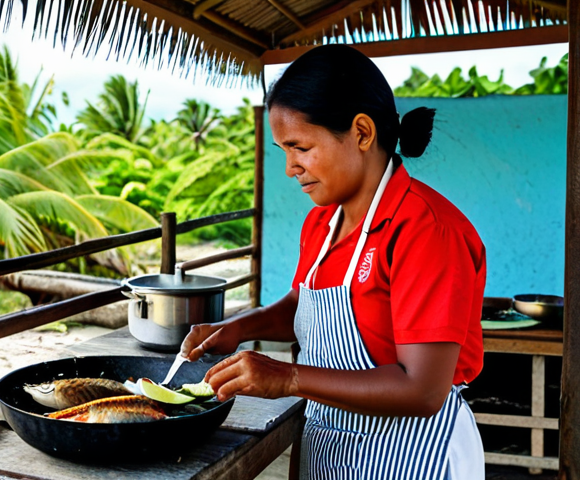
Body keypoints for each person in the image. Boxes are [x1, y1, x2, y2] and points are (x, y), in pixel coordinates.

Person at [180, 45, 486, 480]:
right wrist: (240, 328)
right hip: (332, 448)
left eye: (300, 147)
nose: (290, 167)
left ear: (362, 132)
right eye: (284, 150)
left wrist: (288, 378)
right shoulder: (322, 221)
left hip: (415, 456)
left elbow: (422, 391)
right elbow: (305, 305)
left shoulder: (426, 229)